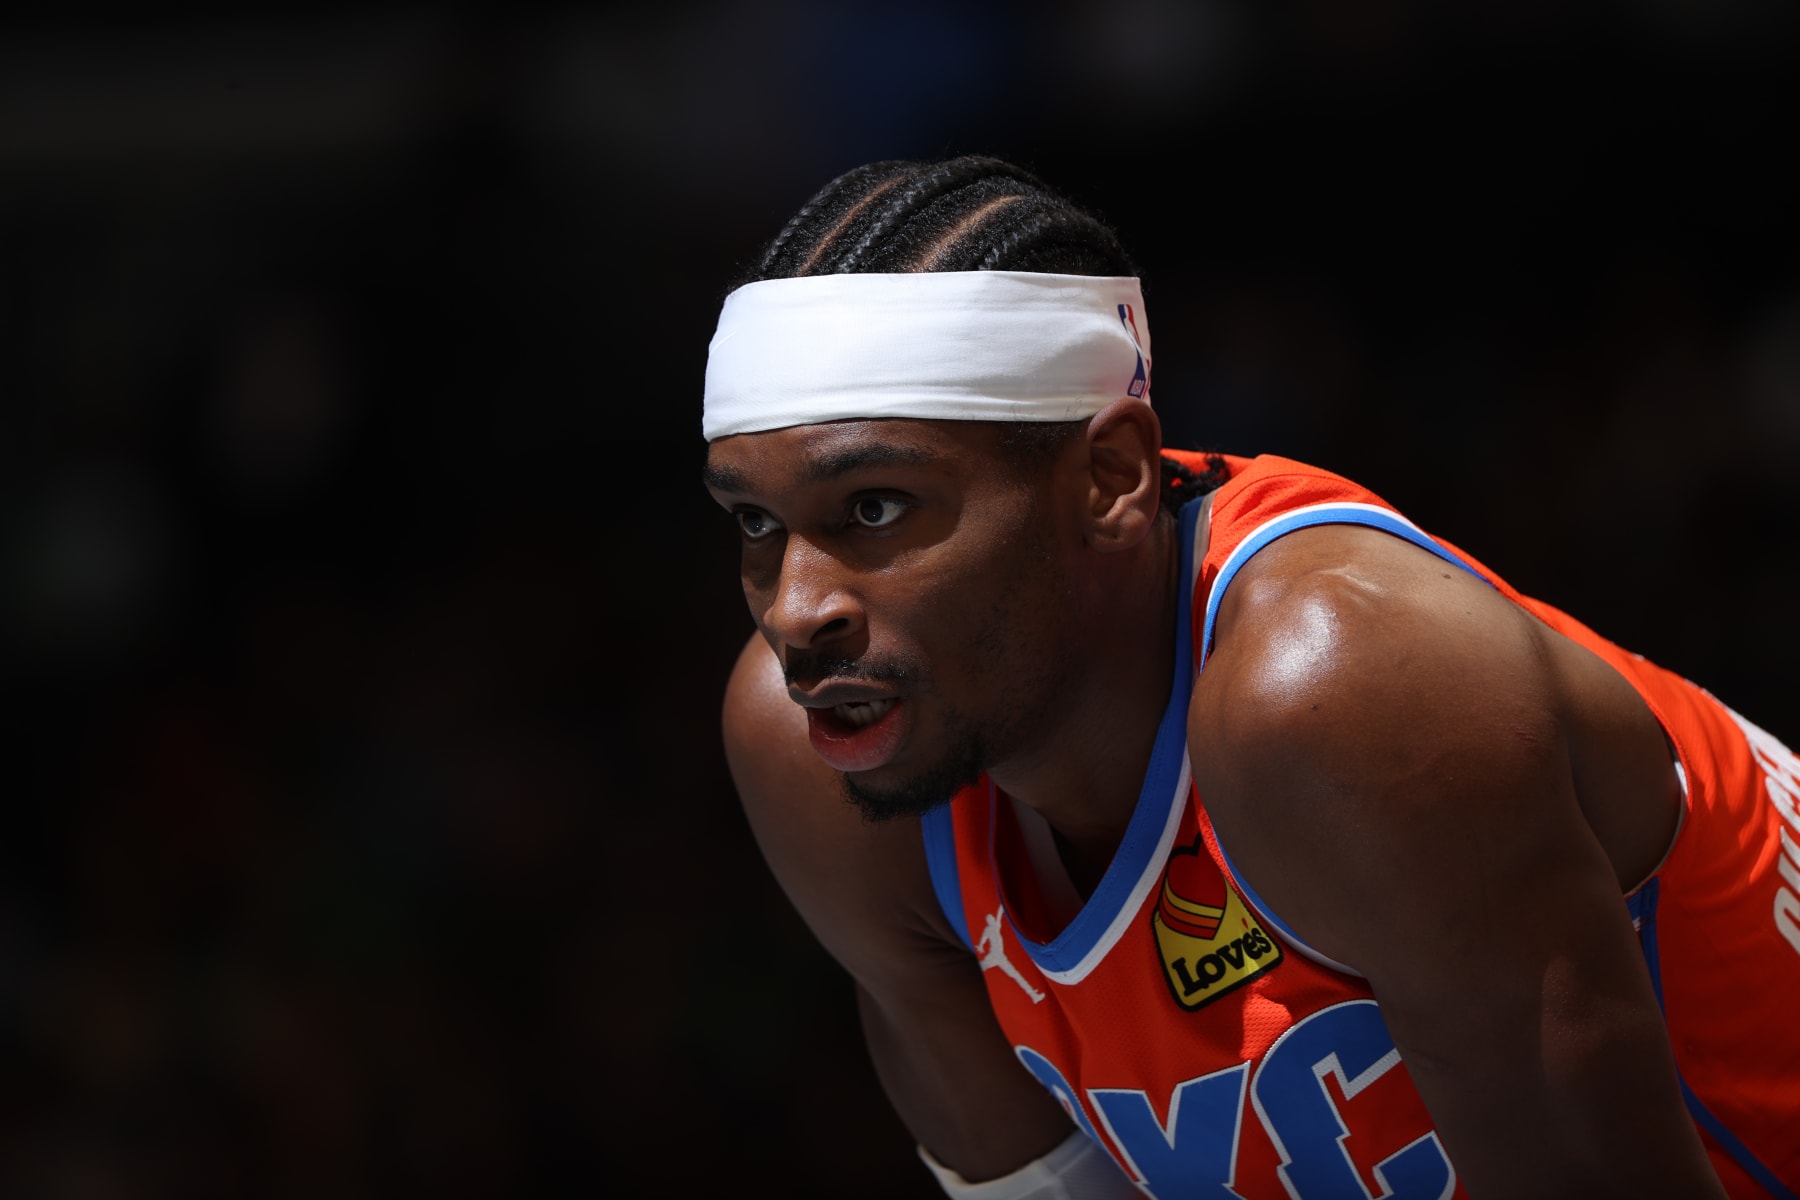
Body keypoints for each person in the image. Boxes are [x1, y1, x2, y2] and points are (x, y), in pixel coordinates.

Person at [699, 155, 1800, 1199]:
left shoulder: (1342, 690)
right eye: (756, 522)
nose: (798, 610)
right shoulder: (821, 751)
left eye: (876, 509)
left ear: (1111, 478)